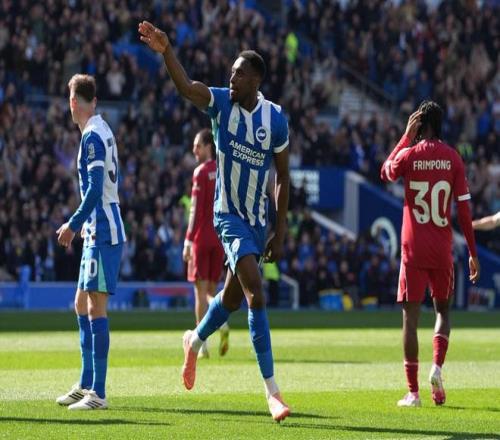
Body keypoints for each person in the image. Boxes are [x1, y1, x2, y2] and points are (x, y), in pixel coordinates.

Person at [139, 21, 291, 422]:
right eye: (232, 72)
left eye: (239, 74)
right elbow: (188, 88)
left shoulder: (275, 119)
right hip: (227, 216)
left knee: (232, 298)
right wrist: (167, 51)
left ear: (256, 80)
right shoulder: (222, 103)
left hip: (258, 221)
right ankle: (272, 392)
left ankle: (194, 339)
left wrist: (280, 230)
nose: (232, 78)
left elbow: (283, 176)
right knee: (256, 293)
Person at [380, 101, 480, 407]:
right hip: (441, 249)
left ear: (420, 125)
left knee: (410, 319)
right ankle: (437, 369)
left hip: (413, 248)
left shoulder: (410, 155)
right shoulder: (453, 158)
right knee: (443, 312)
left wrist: (405, 137)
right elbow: (464, 211)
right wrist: (473, 252)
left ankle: (413, 393)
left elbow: (386, 172)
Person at [55, 74, 126, 410]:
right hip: (97, 229)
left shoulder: (92, 137)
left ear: (73, 103)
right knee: (81, 302)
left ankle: (98, 392)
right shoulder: (101, 129)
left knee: (96, 306)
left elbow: (96, 189)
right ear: (93, 101)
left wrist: (73, 224)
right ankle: (86, 383)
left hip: (104, 231)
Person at [183, 128, 229, 358]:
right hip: (219, 238)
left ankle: (202, 345)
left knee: (200, 294)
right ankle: (218, 323)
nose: (194, 150)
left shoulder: (200, 172)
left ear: (208, 146)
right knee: (211, 290)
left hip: (201, 238)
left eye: (198, 146)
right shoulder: (222, 170)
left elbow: (195, 210)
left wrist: (188, 240)